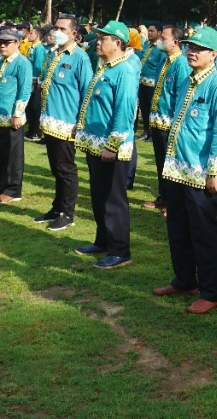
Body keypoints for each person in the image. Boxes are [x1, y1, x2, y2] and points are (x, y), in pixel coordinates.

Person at [153, 26, 217, 315]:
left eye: (199, 48)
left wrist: (215, 174)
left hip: (200, 174)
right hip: (177, 170)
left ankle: (212, 291)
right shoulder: (189, 79)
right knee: (178, 229)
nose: (192, 51)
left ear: (214, 54)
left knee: (204, 233)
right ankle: (185, 280)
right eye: (189, 46)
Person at [73, 21, 140, 269]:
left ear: (118, 43)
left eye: (103, 39)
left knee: (113, 199)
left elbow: (124, 112)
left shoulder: (124, 71)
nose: (97, 42)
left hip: (112, 146)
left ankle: (120, 250)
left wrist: (112, 145)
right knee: (99, 194)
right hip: (96, 142)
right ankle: (103, 240)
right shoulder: (105, 66)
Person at [36, 15, 95, 232]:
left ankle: (67, 213)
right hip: (50, 121)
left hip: (66, 123)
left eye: (62, 28)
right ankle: (56, 208)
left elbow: (86, 92)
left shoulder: (80, 57)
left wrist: (80, 124)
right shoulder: (53, 53)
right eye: (55, 27)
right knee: (55, 168)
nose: (56, 31)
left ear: (74, 34)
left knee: (66, 169)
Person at [0, 28, 33, 205]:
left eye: (6, 42)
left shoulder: (22, 63)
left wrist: (18, 114)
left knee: (13, 156)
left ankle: (13, 190)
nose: (2, 45)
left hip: (11, 116)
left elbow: (25, 90)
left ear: (17, 43)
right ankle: (2, 187)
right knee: (0, 154)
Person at [146, 25, 193, 215]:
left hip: (170, 123)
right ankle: (163, 197)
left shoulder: (181, 64)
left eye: (163, 37)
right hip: (158, 120)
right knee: (161, 162)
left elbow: (181, 96)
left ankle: (172, 203)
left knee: (170, 165)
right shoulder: (164, 61)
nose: (159, 40)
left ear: (175, 42)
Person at [25, 25, 51, 142]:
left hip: (35, 82)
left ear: (37, 36)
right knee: (30, 106)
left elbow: (38, 67)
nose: (29, 35)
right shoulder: (32, 47)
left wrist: (34, 82)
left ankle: (36, 132)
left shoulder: (39, 49)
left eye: (31, 34)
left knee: (36, 107)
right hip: (30, 80)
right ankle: (31, 130)